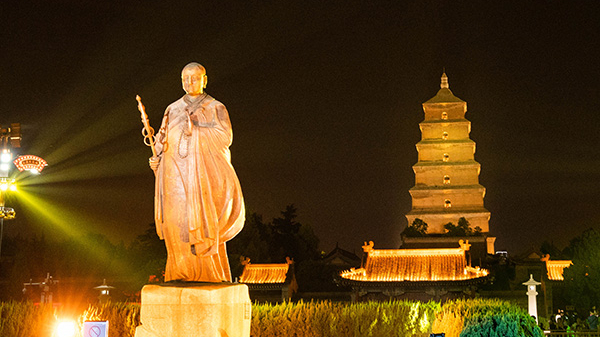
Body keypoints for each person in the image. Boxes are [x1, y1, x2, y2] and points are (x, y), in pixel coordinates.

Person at [149, 62, 245, 282]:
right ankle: (178, 273)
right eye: (185, 78)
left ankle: (207, 275)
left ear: (205, 80)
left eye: (194, 77)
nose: (189, 82)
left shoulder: (215, 107)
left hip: (201, 178)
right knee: (176, 225)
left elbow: (225, 138)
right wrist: (157, 158)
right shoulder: (171, 109)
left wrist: (197, 130)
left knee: (200, 225)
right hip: (173, 177)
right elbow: (161, 142)